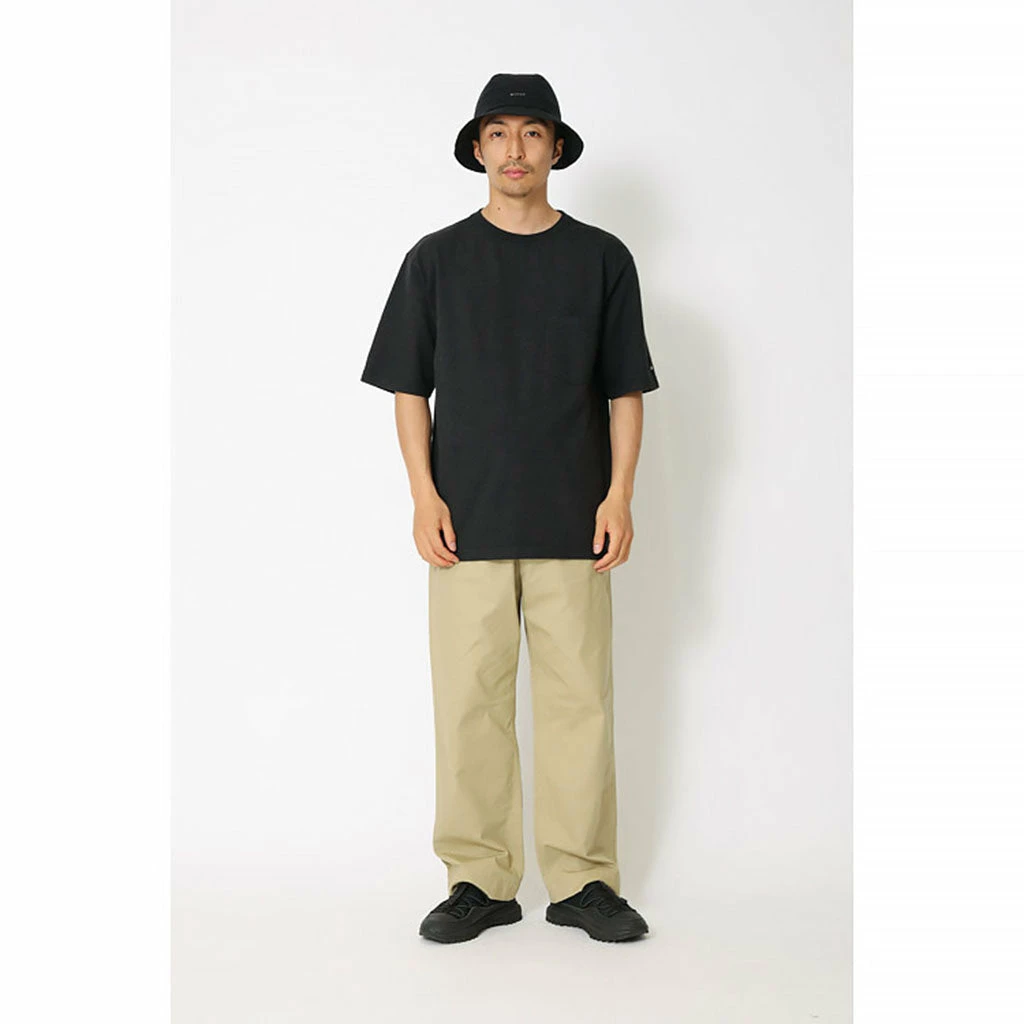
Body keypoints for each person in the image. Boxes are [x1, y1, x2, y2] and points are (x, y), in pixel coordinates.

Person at [360, 73, 658, 943]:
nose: (515, 150)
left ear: (556, 148)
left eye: (532, 133)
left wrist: (620, 494)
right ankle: (479, 881)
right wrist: (423, 495)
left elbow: (625, 389)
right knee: (468, 703)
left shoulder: (601, 258)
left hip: (575, 518)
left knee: (580, 705)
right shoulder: (436, 258)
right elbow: (408, 388)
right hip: (468, 521)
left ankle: (584, 881)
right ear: (478, 149)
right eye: (498, 133)